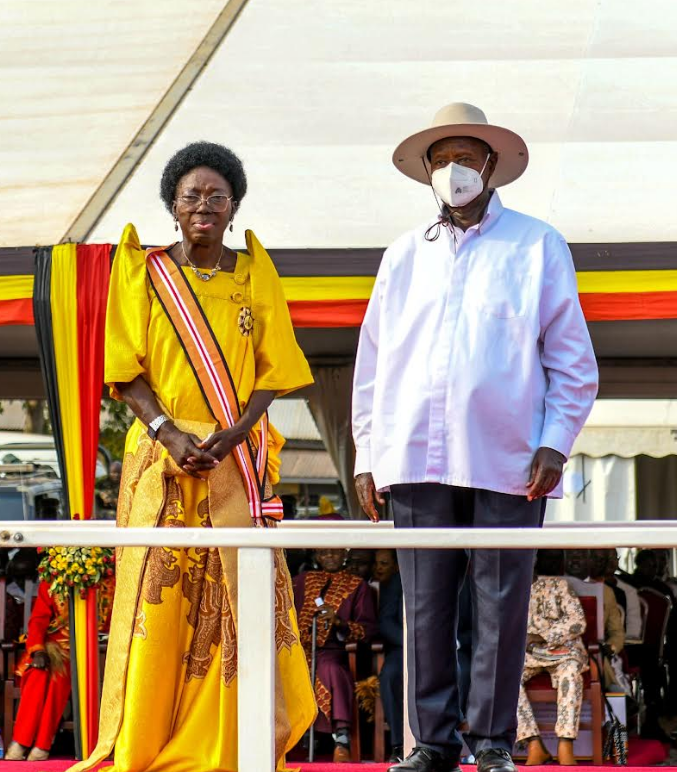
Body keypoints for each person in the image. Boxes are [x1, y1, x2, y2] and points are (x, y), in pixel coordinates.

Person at [352, 102, 598, 772]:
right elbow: (372, 364)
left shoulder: (535, 244)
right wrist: (365, 456)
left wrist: (554, 442)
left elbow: (572, 360)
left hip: (509, 458)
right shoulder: (403, 255)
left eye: (465, 156)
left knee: (499, 608)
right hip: (412, 457)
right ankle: (429, 745)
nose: (451, 169)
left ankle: (491, 745)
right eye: (439, 157)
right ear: (425, 170)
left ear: (492, 166)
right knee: (422, 609)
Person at [68, 142, 316, 772]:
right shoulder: (143, 272)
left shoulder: (254, 272)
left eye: (217, 196)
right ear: (172, 207)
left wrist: (236, 432)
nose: (203, 205)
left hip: (236, 456)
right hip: (160, 456)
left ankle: (231, 743)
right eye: (191, 195)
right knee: (159, 599)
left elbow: (275, 369)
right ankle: (143, 740)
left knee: (236, 597)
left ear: (233, 208)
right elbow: (124, 372)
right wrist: (168, 432)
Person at [5, 575, 115, 761]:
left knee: (59, 676)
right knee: (37, 674)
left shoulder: (110, 580)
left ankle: (42, 745)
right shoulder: (54, 578)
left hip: (89, 649)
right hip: (52, 646)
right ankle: (20, 742)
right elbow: (38, 620)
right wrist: (37, 650)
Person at [293, 548, 378, 763]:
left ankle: (342, 739)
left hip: (334, 650)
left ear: (344, 554)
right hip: (299, 650)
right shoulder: (300, 581)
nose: (329, 556)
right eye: (324, 552)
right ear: (316, 555)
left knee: (331, 669)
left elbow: (367, 630)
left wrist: (339, 622)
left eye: (335, 552)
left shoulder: (358, 586)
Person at [517, 550, 587, 766]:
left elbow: (578, 622)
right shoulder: (509, 591)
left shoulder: (558, 585)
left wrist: (543, 635)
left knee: (571, 675)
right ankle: (533, 744)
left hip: (564, 652)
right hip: (527, 655)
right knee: (502, 679)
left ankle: (565, 744)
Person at [374, 549, 405, 763]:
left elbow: (473, 625)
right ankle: (399, 745)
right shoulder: (397, 582)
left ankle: (451, 741)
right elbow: (385, 621)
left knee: (464, 671)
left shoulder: (462, 580)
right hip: (403, 646)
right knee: (390, 675)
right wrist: (412, 644)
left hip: (452, 649)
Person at [603, 549, 643, 642]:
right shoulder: (588, 586)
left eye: (614, 558)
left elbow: (633, 626)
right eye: (606, 558)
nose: (610, 561)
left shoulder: (628, 591)